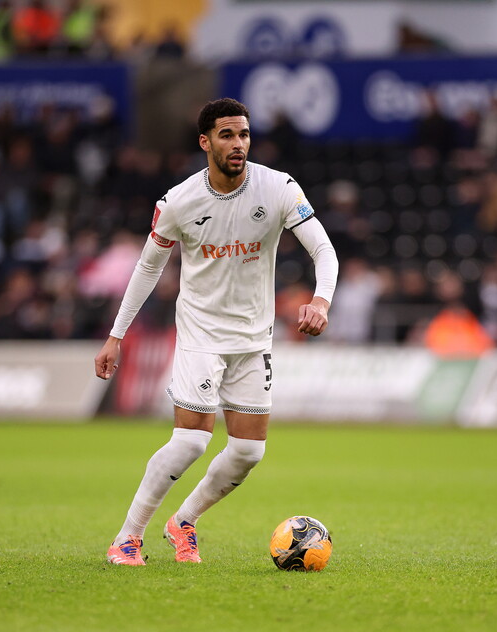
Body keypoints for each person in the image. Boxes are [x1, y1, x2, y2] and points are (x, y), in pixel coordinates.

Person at [94, 98, 339, 566]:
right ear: (205, 142)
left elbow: (324, 251)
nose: (238, 144)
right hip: (200, 334)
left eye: (244, 134)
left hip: (253, 339)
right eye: (227, 135)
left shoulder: (279, 188)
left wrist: (321, 299)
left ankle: (183, 521)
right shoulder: (179, 201)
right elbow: (148, 268)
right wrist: (116, 334)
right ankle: (127, 538)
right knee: (191, 440)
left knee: (248, 450)